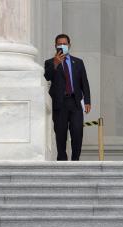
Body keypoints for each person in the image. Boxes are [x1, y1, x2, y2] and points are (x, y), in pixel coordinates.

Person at [44, 33, 92, 162]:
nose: (62, 46)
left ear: (69, 45)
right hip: (59, 103)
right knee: (61, 134)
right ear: (55, 46)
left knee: (77, 132)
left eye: (64, 44)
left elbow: (84, 83)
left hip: (75, 102)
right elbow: (47, 77)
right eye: (59, 44)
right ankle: (62, 161)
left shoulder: (78, 62)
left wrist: (87, 101)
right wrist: (55, 64)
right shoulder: (49, 62)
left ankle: (76, 160)